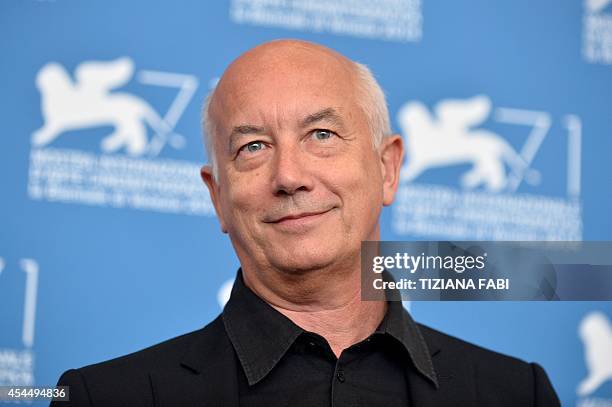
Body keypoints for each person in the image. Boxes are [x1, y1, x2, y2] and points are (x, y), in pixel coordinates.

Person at [52, 39, 560, 406]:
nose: (289, 176)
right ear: (218, 198)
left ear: (388, 169)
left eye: (321, 134)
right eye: (253, 147)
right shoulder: (103, 398)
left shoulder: (517, 394)